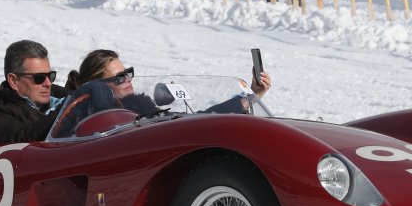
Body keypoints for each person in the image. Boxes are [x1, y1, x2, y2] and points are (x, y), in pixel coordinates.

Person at [49, 49, 273, 139]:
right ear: (97, 86)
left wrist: (251, 96)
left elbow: (193, 121)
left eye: (128, 73)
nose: (128, 80)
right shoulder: (90, 121)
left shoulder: (141, 109)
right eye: (119, 77)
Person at [0, 39, 68, 144]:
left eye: (50, 76)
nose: (48, 83)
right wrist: (65, 112)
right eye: (39, 77)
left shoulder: (60, 95)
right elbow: (20, 137)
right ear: (14, 81)